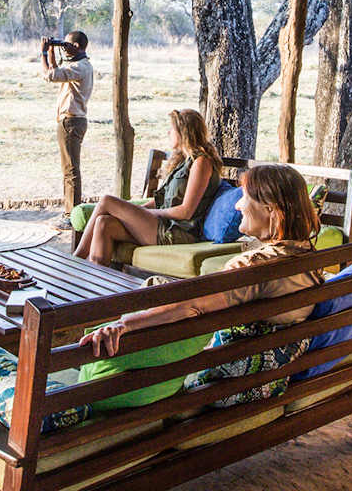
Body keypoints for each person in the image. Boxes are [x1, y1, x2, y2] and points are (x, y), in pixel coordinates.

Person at [84, 163, 325, 358]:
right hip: (273, 362)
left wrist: (124, 325)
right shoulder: (309, 256)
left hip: (227, 373)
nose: (238, 205)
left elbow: (192, 305)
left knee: (149, 295)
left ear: (271, 211)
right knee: (157, 285)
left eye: (245, 198)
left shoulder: (257, 266)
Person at [73, 109, 224, 266]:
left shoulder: (201, 163)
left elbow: (186, 212)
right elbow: (161, 200)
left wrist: (148, 213)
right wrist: (135, 212)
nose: (168, 132)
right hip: (164, 224)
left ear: (183, 132)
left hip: (179, 232)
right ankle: (96, 283)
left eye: (172, 129)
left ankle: (75, 261)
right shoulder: (183, 161)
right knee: (104, 223)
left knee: (107, 201)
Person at [41, 30, 95, 225]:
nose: (65, 47)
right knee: (69, 169)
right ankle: (70, 213)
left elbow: (49, 75)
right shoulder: (80, 65)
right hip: (73, 121)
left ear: (77, 46)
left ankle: (72, 216)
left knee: (71, 170)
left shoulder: (80, 67)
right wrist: (54, 52)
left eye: (67, 44)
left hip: (71, 122)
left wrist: (44, 54)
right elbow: (57, 72)